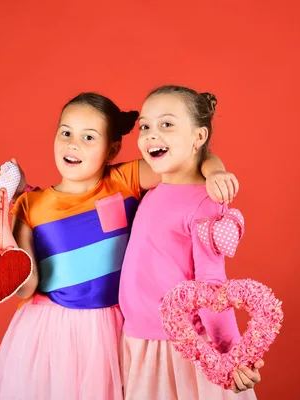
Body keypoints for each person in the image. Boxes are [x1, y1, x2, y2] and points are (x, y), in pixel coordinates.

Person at [0, 92, 241, 399]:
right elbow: (25, 286)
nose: (73, 144)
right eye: (65, 133)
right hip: (54, 331)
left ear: (112, 149)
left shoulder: (124, 179)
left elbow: (187, 159)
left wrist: (215, 171)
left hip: (116, 327)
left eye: (89, 137)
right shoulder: (29, 205)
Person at [118, 85, 262, 399]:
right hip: (138, 341)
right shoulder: (153, 191)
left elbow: (212, 285)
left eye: (166, 124)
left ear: (198, 138)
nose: (152, 134)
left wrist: (230, 352)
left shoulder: (205, 203)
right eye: (145, 126)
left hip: (178, 351)